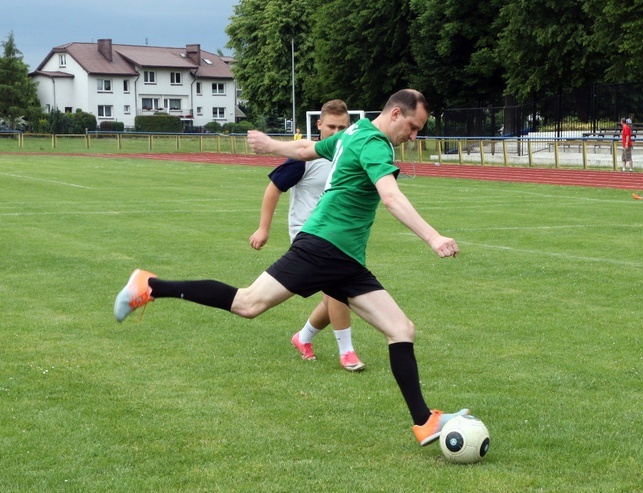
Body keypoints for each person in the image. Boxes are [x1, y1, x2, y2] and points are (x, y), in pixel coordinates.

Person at [114, 89, 469, 446]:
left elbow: (304, 150)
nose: (413, 136)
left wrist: (271, 145)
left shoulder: (353, 132)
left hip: (346, 259)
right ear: (395, 114)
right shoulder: (374, 142)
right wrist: (433, 237)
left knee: (401, 329)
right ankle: (150, 285)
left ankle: (425, 422)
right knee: (248, 304)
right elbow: (391, 196)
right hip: (324, 248)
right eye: (412, 127)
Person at [249, 99, 364, 371]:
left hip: (338, 234)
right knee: (338, 291)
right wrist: (264, 228)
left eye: (343, 128)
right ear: (319, 125)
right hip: (308, 234)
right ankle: (347, 352)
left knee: (335, 294)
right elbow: (273, 189)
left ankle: (303, 338)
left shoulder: (349, 154)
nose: (336, 134)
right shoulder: (305, 157)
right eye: (331, 127)